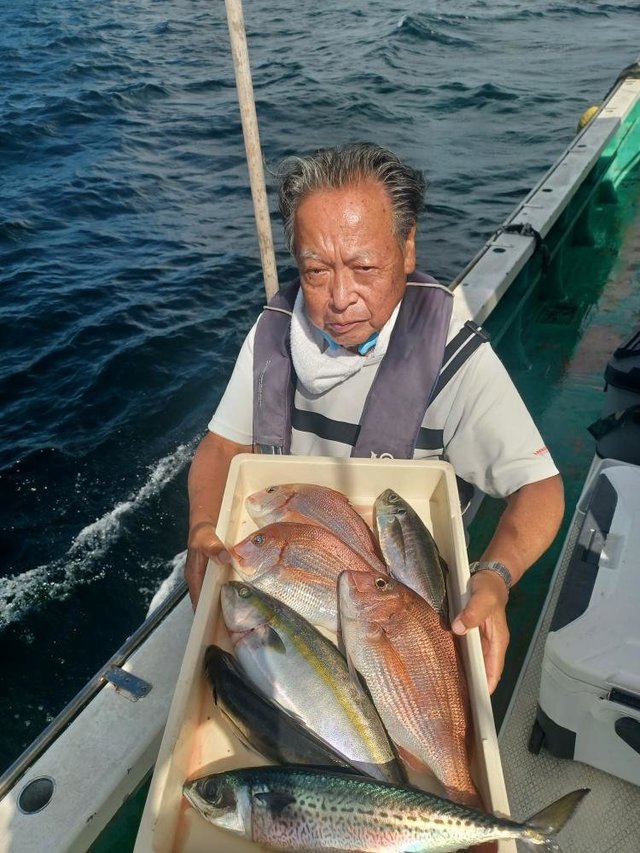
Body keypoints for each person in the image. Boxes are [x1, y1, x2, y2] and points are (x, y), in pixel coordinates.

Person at [185, 142, 564, 694]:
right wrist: (201, 526)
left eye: (364, 267)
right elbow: (222, 446)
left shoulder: (451, 355)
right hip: (292, 583)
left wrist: (496, 575)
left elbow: (540, 488)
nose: (340, 298)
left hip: (401, 617)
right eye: (316, 271)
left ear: (407, 248)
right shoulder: (272, 333)